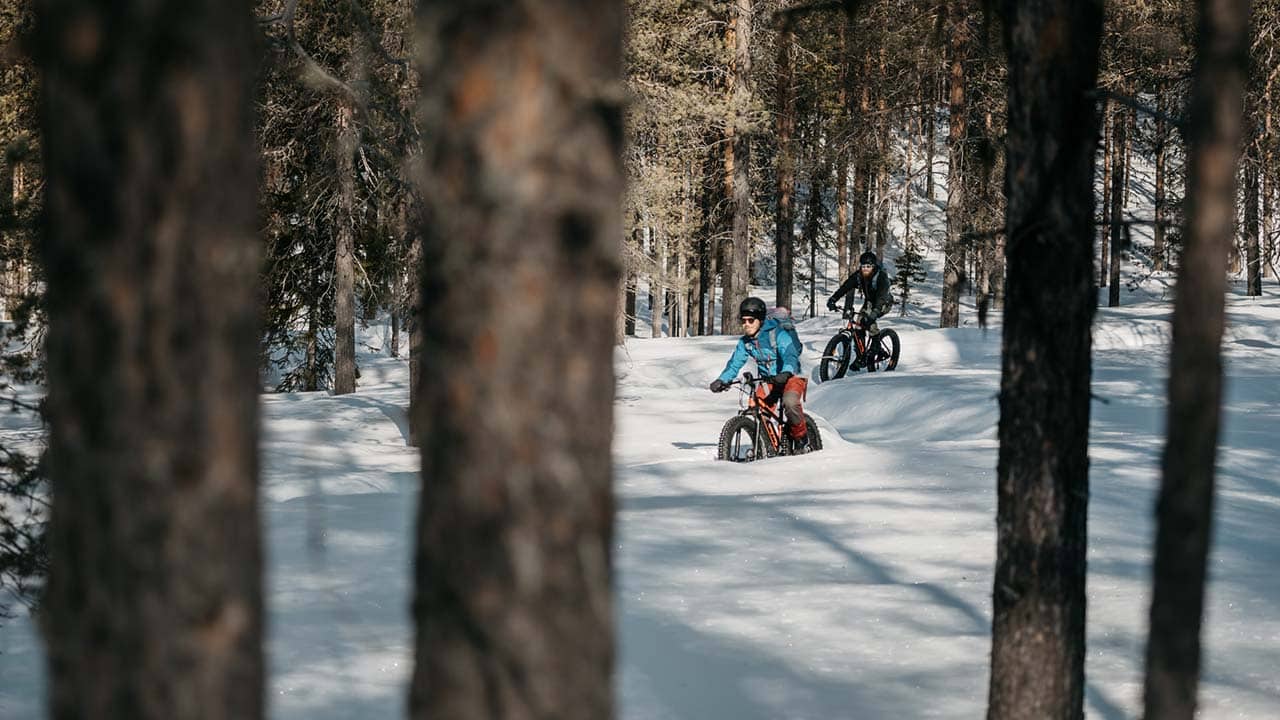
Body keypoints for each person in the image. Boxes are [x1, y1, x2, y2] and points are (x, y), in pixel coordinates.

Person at [709, 297, 809, 449]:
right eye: (743, 321)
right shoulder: (745, 342)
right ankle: (766, 446)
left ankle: (801, 437)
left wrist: (786, 372)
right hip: (769, 380)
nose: (746, 325)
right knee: (755, 407)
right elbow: (735, 364)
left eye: (750, 320)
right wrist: (722, 380)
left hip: (791, 376)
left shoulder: (778, 334)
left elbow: (790, 355)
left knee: (789, 403)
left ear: (760, 320)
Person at [827, 250, 894, 338]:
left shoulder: (881, 277)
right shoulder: (859, 276)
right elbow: (845, 287)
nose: (865, 269)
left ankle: (876, 345)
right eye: (863, 266)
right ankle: (861, 350)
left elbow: (881, 296)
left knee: (868, 320)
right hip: (869, 302)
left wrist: (876, 311)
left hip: (884, 302)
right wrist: (833, 299)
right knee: (859, 326)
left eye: (868, 266)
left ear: (873, 267)